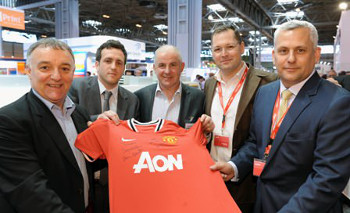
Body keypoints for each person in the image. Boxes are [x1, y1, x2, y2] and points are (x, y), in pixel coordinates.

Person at [211, 20, 350, 212]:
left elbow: (328, 177)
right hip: (262, 203)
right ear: (274, 55)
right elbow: (256, 143)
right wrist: (235, 166)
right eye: (283, 51)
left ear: (316, 54)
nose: (290, 59)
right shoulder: (265, 93)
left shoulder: (337, 103)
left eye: (300, 50)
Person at [0, 38, 92, 213]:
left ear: (73, 72)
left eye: (65, 69)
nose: (56, 76)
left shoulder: (79, 114)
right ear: (28, 71)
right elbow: (31, 194)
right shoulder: (8, 121)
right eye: (45, 68)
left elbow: (81, 165)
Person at [204, 25, 277, 212]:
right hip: (211, 178)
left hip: (246, 182)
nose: (224, 54)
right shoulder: (210, 84)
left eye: (230, 47)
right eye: (217, 49)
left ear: (242, 47)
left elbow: (263, 137)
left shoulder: (267, 82)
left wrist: (234, 166)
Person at [69, 39, 139, 213]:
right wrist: (97, 121)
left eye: (119, 63)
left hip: (118, 181)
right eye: (108, 61)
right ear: (97, 64)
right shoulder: (76, 88)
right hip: (83, 178)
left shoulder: (132, 100)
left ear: (124, 68)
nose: (113, 67)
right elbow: (69, 124)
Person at [134, 45, 213, 132]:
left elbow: (202, 134)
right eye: (162, 65)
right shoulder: (140, 97)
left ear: (182, 67)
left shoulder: (198, 98)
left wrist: (207, 130)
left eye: (173, 65)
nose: (167, 71)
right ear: (154, 68)